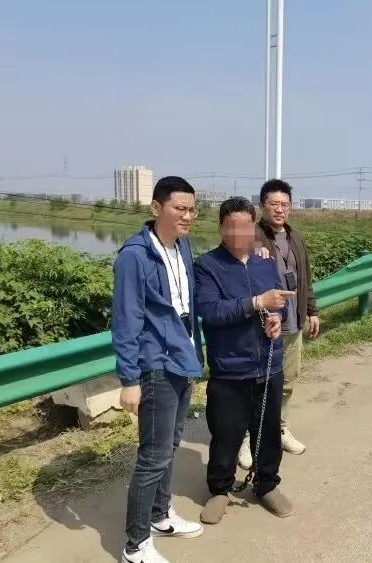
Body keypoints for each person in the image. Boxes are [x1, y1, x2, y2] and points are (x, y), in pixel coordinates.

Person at [112, 177, 204, 563]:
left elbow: (185, 305)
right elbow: (126, 320)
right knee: (153, 456)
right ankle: (135, 546)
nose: (188, 216)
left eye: (192, 209)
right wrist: (129, 379)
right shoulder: (134, 256)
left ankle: (160, 515)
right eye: (180, 208)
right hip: (155, 365)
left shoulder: (182, 246)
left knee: (170, 446)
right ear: (156, 208)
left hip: (182, 357)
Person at [195, 196, 296, 525]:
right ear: (221, 228)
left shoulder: (265, 261)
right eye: (232, 226)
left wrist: (276, 317)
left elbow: (278, 302)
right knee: (226, 433)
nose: (239, 233)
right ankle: (220, 490)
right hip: (230, 367)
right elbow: (211, 311)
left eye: (245, 226)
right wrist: (256, 303)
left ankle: (267, 484)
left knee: (268, 431)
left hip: (268, 363)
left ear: (254, 227)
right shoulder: (207, 266)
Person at [233, 179, 320, 470]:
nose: (280, 209)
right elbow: (238, 276)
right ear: (262, 206)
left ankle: (280, 429)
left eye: (285, 204)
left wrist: (312, 310)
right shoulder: (251, 236)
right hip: (263, 325)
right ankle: (248, 437)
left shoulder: (295, 238)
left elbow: (306, 278)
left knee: (288, 381)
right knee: (258, 384)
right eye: (274, 204)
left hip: (293, 322)